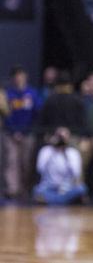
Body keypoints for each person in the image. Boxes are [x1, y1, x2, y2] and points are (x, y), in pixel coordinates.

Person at [3, 66, 40, 199]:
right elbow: (5, 115)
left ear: (25, 76)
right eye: (16, 75)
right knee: (12, 162)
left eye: (21, 75)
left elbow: (37, 114)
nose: (19, 78)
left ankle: (25, 189)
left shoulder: (32, 93)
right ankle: (12, 190)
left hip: (28, 133)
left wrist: (26, 131)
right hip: (11, 134)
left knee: (26, 162)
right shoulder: (8, 94)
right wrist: (14, 131)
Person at [33, 127, 88, 205]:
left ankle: (56, 201)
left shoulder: (73, 153)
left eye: (64, 137)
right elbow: (40, 169)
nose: (61, 139)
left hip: (67, 189)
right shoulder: (46, 150)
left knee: (81, 189)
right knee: (37, 190)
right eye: (59, 137)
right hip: (49, 188)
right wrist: (53, 149)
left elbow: (76, 173)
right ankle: (62, 201)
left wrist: (65, 154)